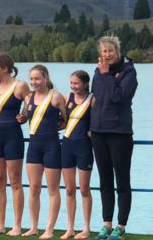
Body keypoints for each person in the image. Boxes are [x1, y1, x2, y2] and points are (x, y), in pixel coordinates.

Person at [90, 36, 138, 240]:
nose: (107, 55)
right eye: (104, 52)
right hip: (98, 133)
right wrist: (89, 126)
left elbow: (118, 97)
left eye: (110, 51)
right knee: (105, 181)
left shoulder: (129, 72)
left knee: (122, 181)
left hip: (120, 133)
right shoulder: (98, 72)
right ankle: (106, 224)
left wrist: (107, 75)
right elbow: (94, 99)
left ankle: (121, 226)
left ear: (117, 51)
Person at [22, 64, 67, 239]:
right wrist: (21, 118)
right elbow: (25, 115)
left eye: (37, 78)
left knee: (53, 189)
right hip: (33, 147)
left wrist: (58, 127)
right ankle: (33, 227)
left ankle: (49, 228)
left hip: (52, 147)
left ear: (46, 78)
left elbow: (66, 120)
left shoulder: (56, 97)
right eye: (31, 79)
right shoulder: (28, 97)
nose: (34, 82)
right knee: (33, 188)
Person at [0, 53, 29, 236]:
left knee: (15, 182)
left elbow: (31, 105)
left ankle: (17, 225)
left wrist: (24, 116)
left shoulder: (20, 85)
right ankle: (0, 224)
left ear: (5, 68)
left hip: (12, 135)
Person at [61, 70, 95, 240]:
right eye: (71, 83)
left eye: (76, 83)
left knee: (84, 189)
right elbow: (61, 121)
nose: (73, 86)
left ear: (85, 84)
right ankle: (70, 228)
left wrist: (93, 132)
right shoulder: (67, 98)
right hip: (67, 145)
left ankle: (86, 228)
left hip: (84, 147)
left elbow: (99, 119)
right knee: (69, 189)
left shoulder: (92, 99)